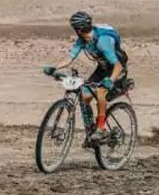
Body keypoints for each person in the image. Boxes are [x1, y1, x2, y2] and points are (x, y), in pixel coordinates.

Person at [43, 11, 128, 145]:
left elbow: (118, 65)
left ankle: (101, 128)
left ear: (79, 29)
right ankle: (91, 131)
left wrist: (110, 80)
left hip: (116, 69)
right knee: (85, 96)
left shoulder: (102, 42)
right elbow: (69, 58)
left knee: (101, 93)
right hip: (103, 68)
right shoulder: (82, 40)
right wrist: (55, 68)